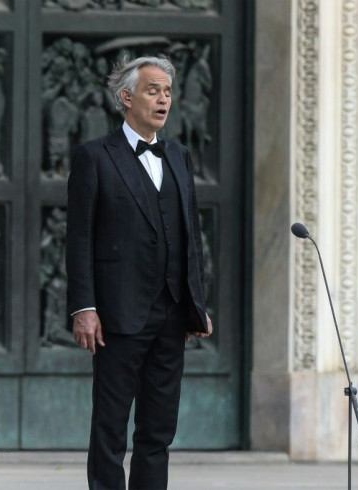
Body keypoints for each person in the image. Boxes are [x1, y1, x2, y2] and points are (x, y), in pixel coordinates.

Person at [66, 55, 213, 490]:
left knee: (158, 430)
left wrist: (196, 304)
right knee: (110, 430)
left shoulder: (179, 156)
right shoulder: (94, 157)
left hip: (171, 317)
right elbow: (79, 239)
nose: (163, 99)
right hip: (117, 316)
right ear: (126, 97)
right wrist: (84, 307)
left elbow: (192, 235)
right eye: (153, 90)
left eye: (168, 91)